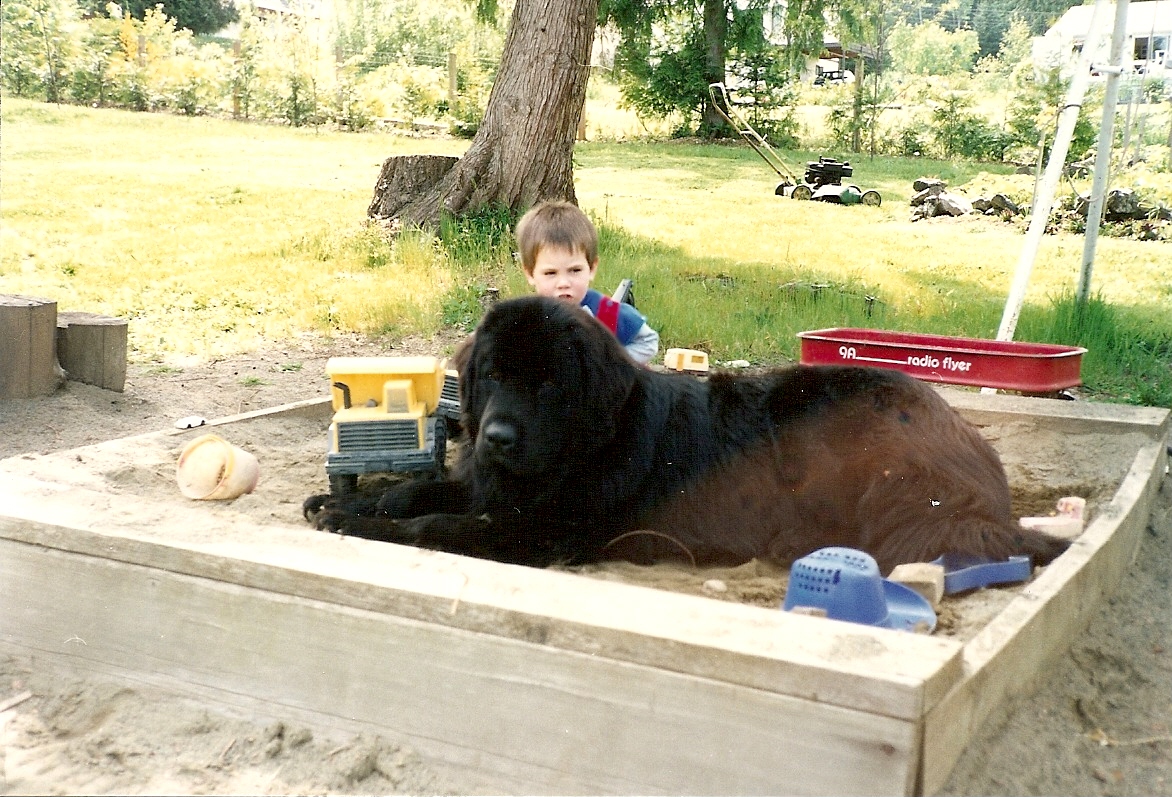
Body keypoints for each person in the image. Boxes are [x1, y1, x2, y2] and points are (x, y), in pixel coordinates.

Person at [514, 200, 659, 365]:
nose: (563, 283)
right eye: (550, 273)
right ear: (530, 274)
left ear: (591, 268)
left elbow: (648, 341)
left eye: (575, 270)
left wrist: (612, 364)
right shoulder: (528, 320)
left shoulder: (606, 312)